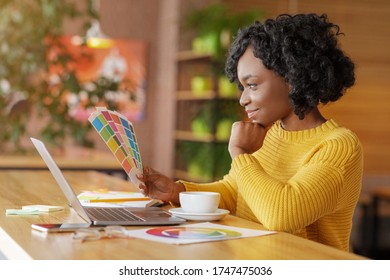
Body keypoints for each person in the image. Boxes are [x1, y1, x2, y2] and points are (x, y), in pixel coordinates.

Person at [138, 13, 363, 252]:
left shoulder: (338, 146)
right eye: (242, 87)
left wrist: (239, 151)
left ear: (293, 78)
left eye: (252, 85)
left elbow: (282, 214)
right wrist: (177, 190)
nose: (243, 99)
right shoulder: (269, 134)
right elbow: (235, 193)